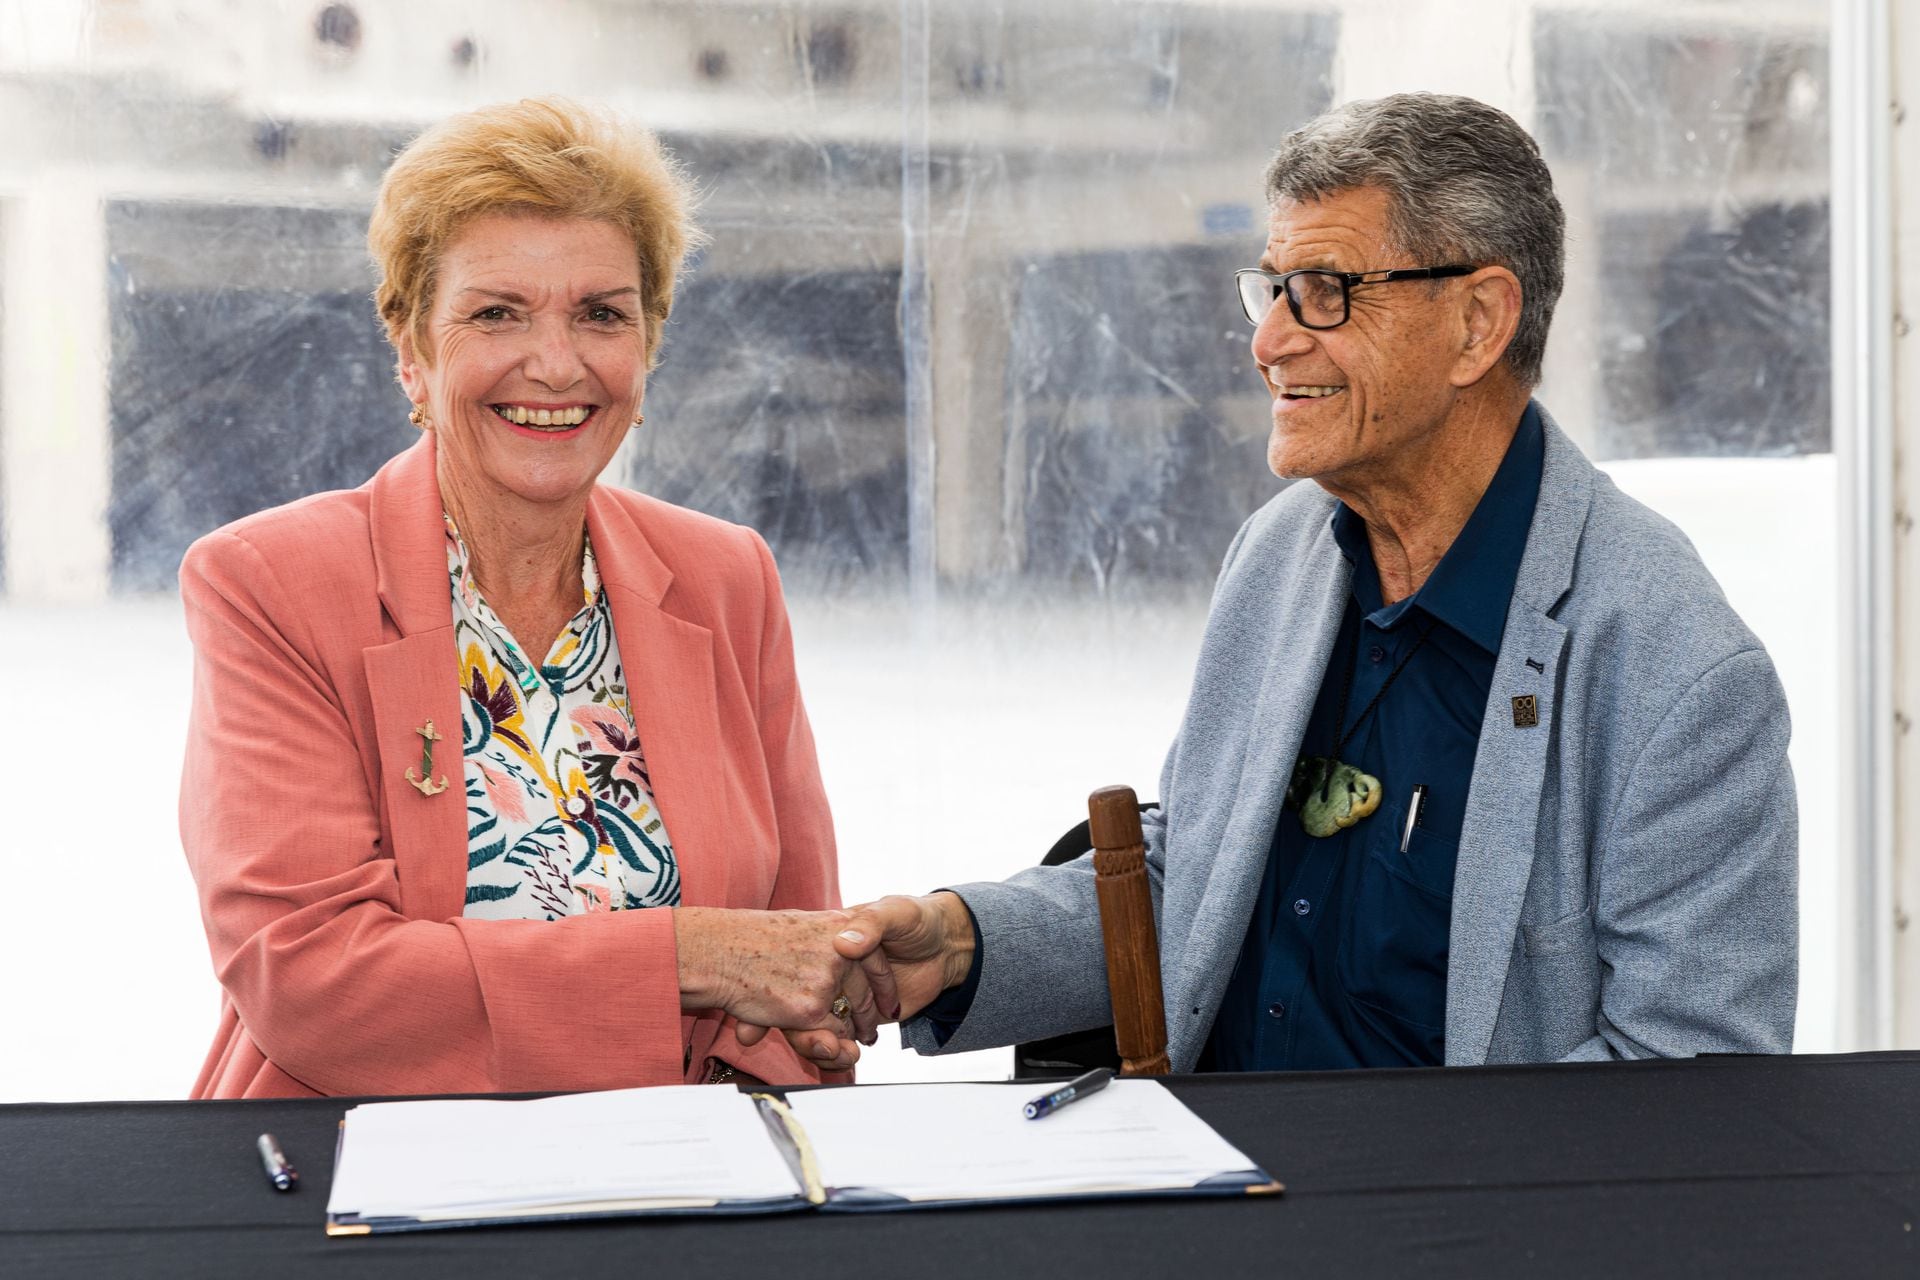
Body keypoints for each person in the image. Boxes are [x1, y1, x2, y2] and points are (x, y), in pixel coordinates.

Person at [819, 92, 1798, 1070]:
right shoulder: (1277, 555)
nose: (1270, 341)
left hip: (1458, 1214)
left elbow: (1694, 1081)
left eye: (1325, 290)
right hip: (1220, 1194)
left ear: (1478, 321)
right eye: (1272, 289)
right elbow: (1199, 880)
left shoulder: (1682, 674)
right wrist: (960, 944)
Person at [179, 98, 893, 1099]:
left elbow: (799, 960)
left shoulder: (730, 578)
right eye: (496, 312)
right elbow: (313, 985)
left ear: (648, 345)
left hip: (679, 1189)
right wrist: (692, 957)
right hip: (362, 1189)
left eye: (601, 313)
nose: (556, 364)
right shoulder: (271, 583)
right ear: (410, 344)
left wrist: (795, 1023)